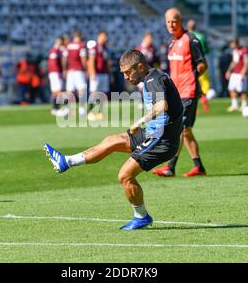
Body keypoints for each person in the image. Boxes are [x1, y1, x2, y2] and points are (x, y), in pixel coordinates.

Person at [44, 50, 184, 230]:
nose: (125, 77)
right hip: (153, 133)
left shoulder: (153, 80)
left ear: (140, 67)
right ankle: (67, 161)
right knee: (111, 140)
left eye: (128, 72)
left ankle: (141, 216)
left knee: (125, 175)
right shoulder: (153, 77)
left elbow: (161, 106)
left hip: (162, 141)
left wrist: (139, 122)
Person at [153, 8, 207, 178]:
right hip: (176, 93)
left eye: (174, 21)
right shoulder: (171, 43)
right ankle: (198, 166)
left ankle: (170, 167)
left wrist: (193, 75)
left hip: (188, 91)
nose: (171, 24)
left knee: (180, 130)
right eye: (168, 22)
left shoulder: (191, 39)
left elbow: (202, 64)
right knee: (186, 131)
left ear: (180, 20)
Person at [187, 19, 211, 113]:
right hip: (201, 62)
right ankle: (204, 101)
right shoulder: (201, 36)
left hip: (189, 64)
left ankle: (194, 107)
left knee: (192, 84)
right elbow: (206, 50)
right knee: (204, 82)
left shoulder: (185, 37)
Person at [87, 30, 111, 121]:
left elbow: (107, 62)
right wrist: (92, 73)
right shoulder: (94, 48)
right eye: (103, 36)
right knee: (94, 93)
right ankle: (90, 112)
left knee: (103, 94)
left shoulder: (106, 48)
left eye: (106, 36)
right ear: (99, 36)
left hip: (104, 74)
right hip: (97, 74)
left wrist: (110, 74)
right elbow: (91, 60)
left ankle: (100, 112)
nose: (105, 38)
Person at [62, 30, 88, 116]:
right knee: (82, 89)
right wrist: (86, 69)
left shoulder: (68, 45)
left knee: (69, 91)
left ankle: (67, 109)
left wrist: (64, 69)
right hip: (79, 70)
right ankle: (81, 109)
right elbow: (83, 59)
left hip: (70, 71)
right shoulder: (81, 45)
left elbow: (64, 58)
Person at [225, 38, 248, 112]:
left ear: (236, 43)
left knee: (242, 90)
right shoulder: (234, 51)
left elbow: (246, 62)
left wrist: (243, 72)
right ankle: (234, 105)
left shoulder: (244, 50)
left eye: (233, 44)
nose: (232, 46)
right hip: (234, 73)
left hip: (241, 73)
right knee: (231, 88)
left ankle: (244, 105)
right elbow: (234, 62)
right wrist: (229, 71)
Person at [47, 37, 66, 115]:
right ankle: (57, 108)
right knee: (58, 90)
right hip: (55, 72)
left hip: (54, 72)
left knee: (55, 91)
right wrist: (57, 72)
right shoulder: (55, 51)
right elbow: (53, 63)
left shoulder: (56, 51)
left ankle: (55, 108)